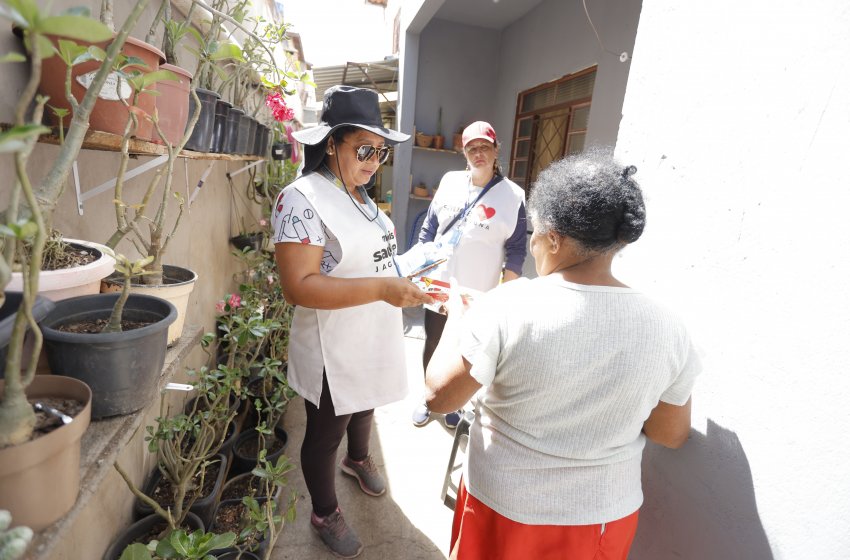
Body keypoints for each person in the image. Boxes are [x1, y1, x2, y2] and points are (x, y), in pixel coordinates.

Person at [424, 150, 701, 560]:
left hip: (504, 509)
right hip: (602, 520)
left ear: (553, 237)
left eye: (534, 231)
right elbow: (670, 434)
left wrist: (458, 320)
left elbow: (439, 398)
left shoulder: (508, 306)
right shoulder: (668, 327)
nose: (532, 241)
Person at [272, 85, 433, 559]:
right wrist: (384, 289)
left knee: (365, 403)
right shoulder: (301, 199)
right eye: (365, 149)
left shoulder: (361, 195)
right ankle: (323, 511)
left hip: (372, 331)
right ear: (330, 143)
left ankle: (358, 458)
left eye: (380, 152)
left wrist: (411, 273)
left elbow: (376, 259)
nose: (374, 160)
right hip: (332, 345)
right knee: (325, 432)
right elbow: (299, 285)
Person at [411, 121, 527, 428]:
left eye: (484, 147)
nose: (478, 153)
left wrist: (508, 292)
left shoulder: (512, 195)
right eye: (471, 148)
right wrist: (419, 268)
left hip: (479, 291)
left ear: (495, 150)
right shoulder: (449, 181)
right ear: (464, 153)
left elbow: (517, 249)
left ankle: (453, 403)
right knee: (434, 341)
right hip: (439, 284)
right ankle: (427, 397)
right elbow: (429, 228)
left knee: (466, 350)